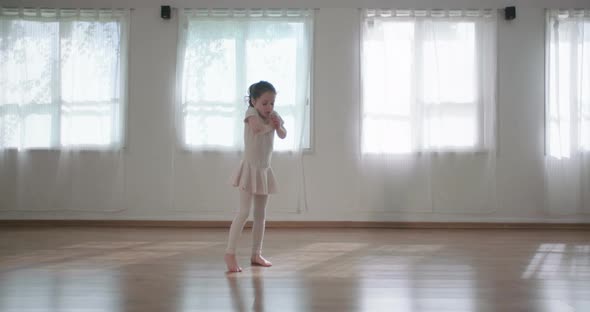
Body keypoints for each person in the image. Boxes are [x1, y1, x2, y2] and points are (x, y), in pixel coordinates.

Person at [224, 81, 287, 272]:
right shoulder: (251, 113)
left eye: (272, 103)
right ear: (253, 101)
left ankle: (256, 253)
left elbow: (283, 134)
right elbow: (257, 129)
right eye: (265, 103)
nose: (269, 108)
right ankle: (230, 254)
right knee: (243, 212)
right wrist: (271, 126)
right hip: (249, 170)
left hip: (264, 170)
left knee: (260, 215)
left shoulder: (274, 116)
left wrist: (278, 127)